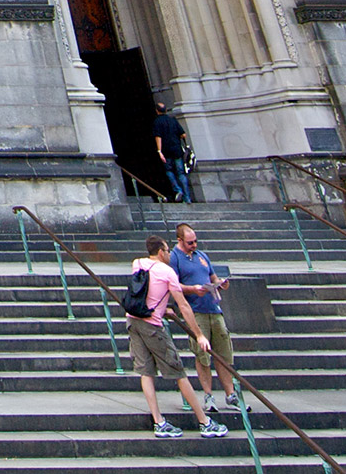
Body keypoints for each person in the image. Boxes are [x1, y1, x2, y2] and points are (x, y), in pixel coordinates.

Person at [126, 235, 227, 440]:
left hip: (133, 320)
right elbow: (183, 305)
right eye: (167, 250)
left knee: (146, 371)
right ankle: (204, 422)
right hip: (152, 326)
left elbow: (147, 291)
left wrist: (164, 310)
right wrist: (199, 334)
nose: (170, 254)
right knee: (178, 371)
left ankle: (159, 421)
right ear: (161, 252)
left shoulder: (137, 263)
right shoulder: (167, 272)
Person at [169, 222, 238, 416]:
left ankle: (230, 393)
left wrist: (219, 283)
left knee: (224, 352)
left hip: (213, 307)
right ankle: (208, 394)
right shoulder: (175, 258)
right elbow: (174, 285)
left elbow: (213, 276)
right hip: (195, 310)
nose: (194, 245)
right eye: (190, 242)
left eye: (196, 241)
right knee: (203, 355)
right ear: (180, 241)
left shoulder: (202, 256)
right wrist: (192, 290)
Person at [151, 97, 192, 202]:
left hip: (166, 150)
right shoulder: (173, 120)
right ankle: (187, 198)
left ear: (157, 111)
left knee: (169, 171)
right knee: (181, 173)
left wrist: (159, 151)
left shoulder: (157, 122)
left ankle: (178, 190)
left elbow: (158, 137)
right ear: (165, 110)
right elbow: (183, 134)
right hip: (177, 149)